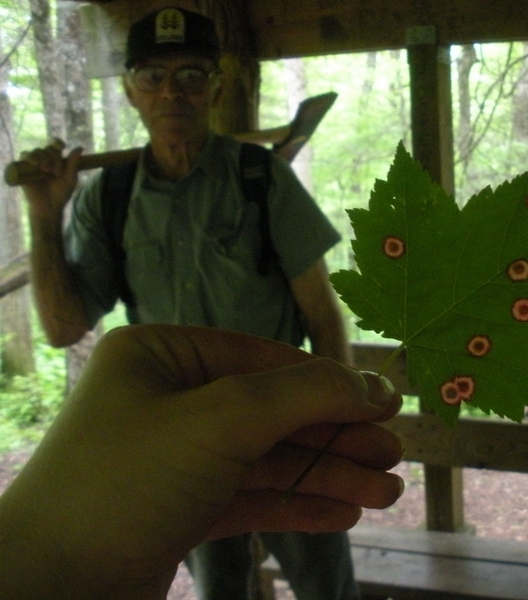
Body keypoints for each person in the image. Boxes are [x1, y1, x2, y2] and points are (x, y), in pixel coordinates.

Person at [19, 6, 359, 599]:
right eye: (152, 76)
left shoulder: (259, 178)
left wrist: (329, 430)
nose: (171, 92)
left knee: (324, 585)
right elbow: (62, 328)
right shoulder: (112, 197)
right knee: (221, 590)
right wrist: (46, 213)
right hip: (180, 442)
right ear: (130, 91)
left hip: (285, 430)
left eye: (191, 75)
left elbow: (325, 318)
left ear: (216, 85)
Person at [0, 324, 405, 600]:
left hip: (298, 432)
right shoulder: (118, 199)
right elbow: (63, 322)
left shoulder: (267, 194)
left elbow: (321, 310)